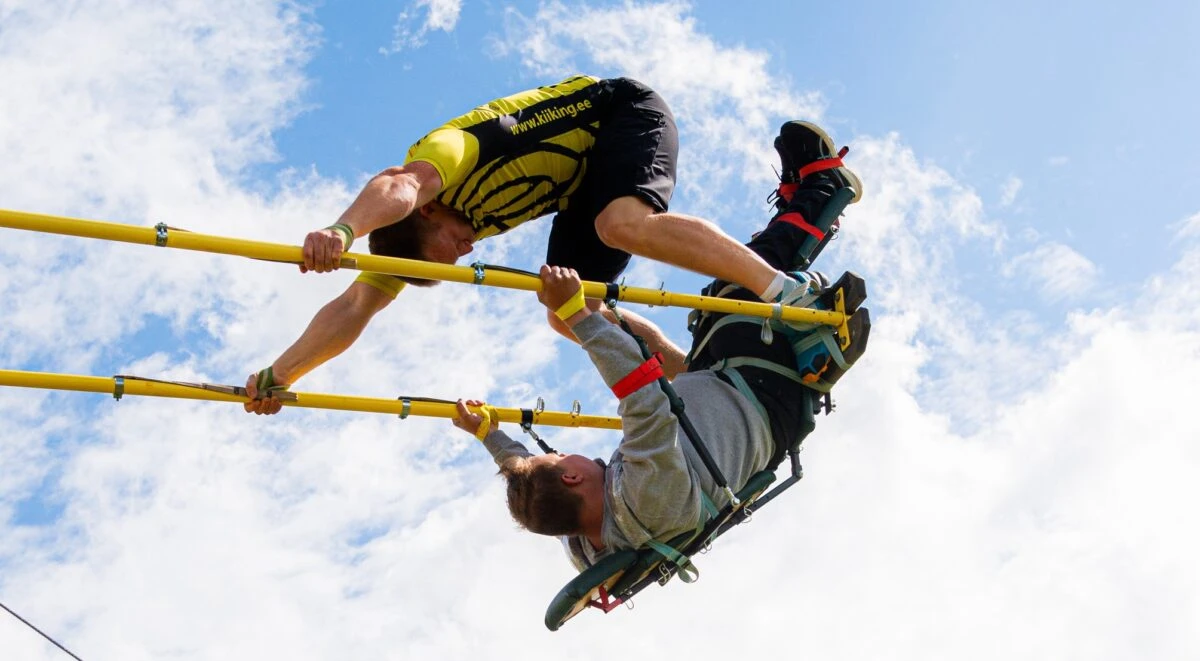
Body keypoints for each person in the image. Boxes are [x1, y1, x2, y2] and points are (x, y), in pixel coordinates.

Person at [243, 75, 862, 414]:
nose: (464, 253)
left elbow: (397, 183)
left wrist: (342, 231)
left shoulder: (441, 158)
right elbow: (356, 306)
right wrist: (279, 375)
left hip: (618, 114)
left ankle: (786, 294)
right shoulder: (432, 229)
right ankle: (699, 377)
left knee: (621, 223)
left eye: (448, 247)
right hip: (580, 191)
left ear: (425, 210)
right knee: (570, 314)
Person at [451, 135, 867, 568]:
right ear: (572, 476)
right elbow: (640, 394)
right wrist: (575, 314)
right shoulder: (645, 498)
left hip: (710, 393)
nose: (569, 454)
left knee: (716, 299)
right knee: (738, 287)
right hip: (758, 394)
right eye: (559, 456)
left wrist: (489, 435)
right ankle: (825, 186)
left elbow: (527, 480)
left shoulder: (587, 539)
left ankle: (800, 210)